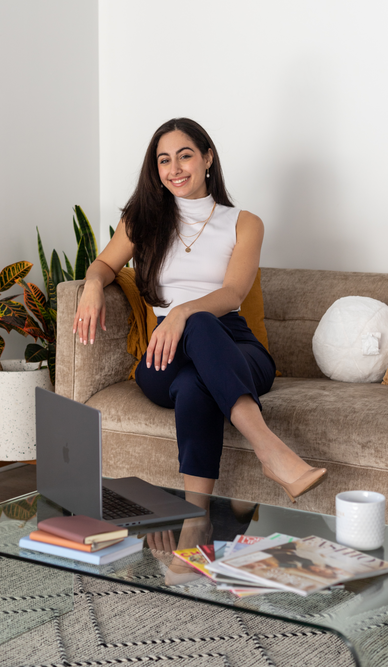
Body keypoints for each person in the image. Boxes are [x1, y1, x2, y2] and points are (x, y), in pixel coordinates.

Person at [73, 118, 327, 508]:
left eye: (185, 156)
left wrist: (182, 313)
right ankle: (271, 451)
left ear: (207, 158)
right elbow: (104, 265)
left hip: (236, 347)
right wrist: (93, 284)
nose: (174, 168)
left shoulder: (244, 223)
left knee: (195, 382)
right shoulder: (141, 221)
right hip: (165, 355)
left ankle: (194, 519)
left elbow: (233, 292)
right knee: (195, 332)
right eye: (164, 160)